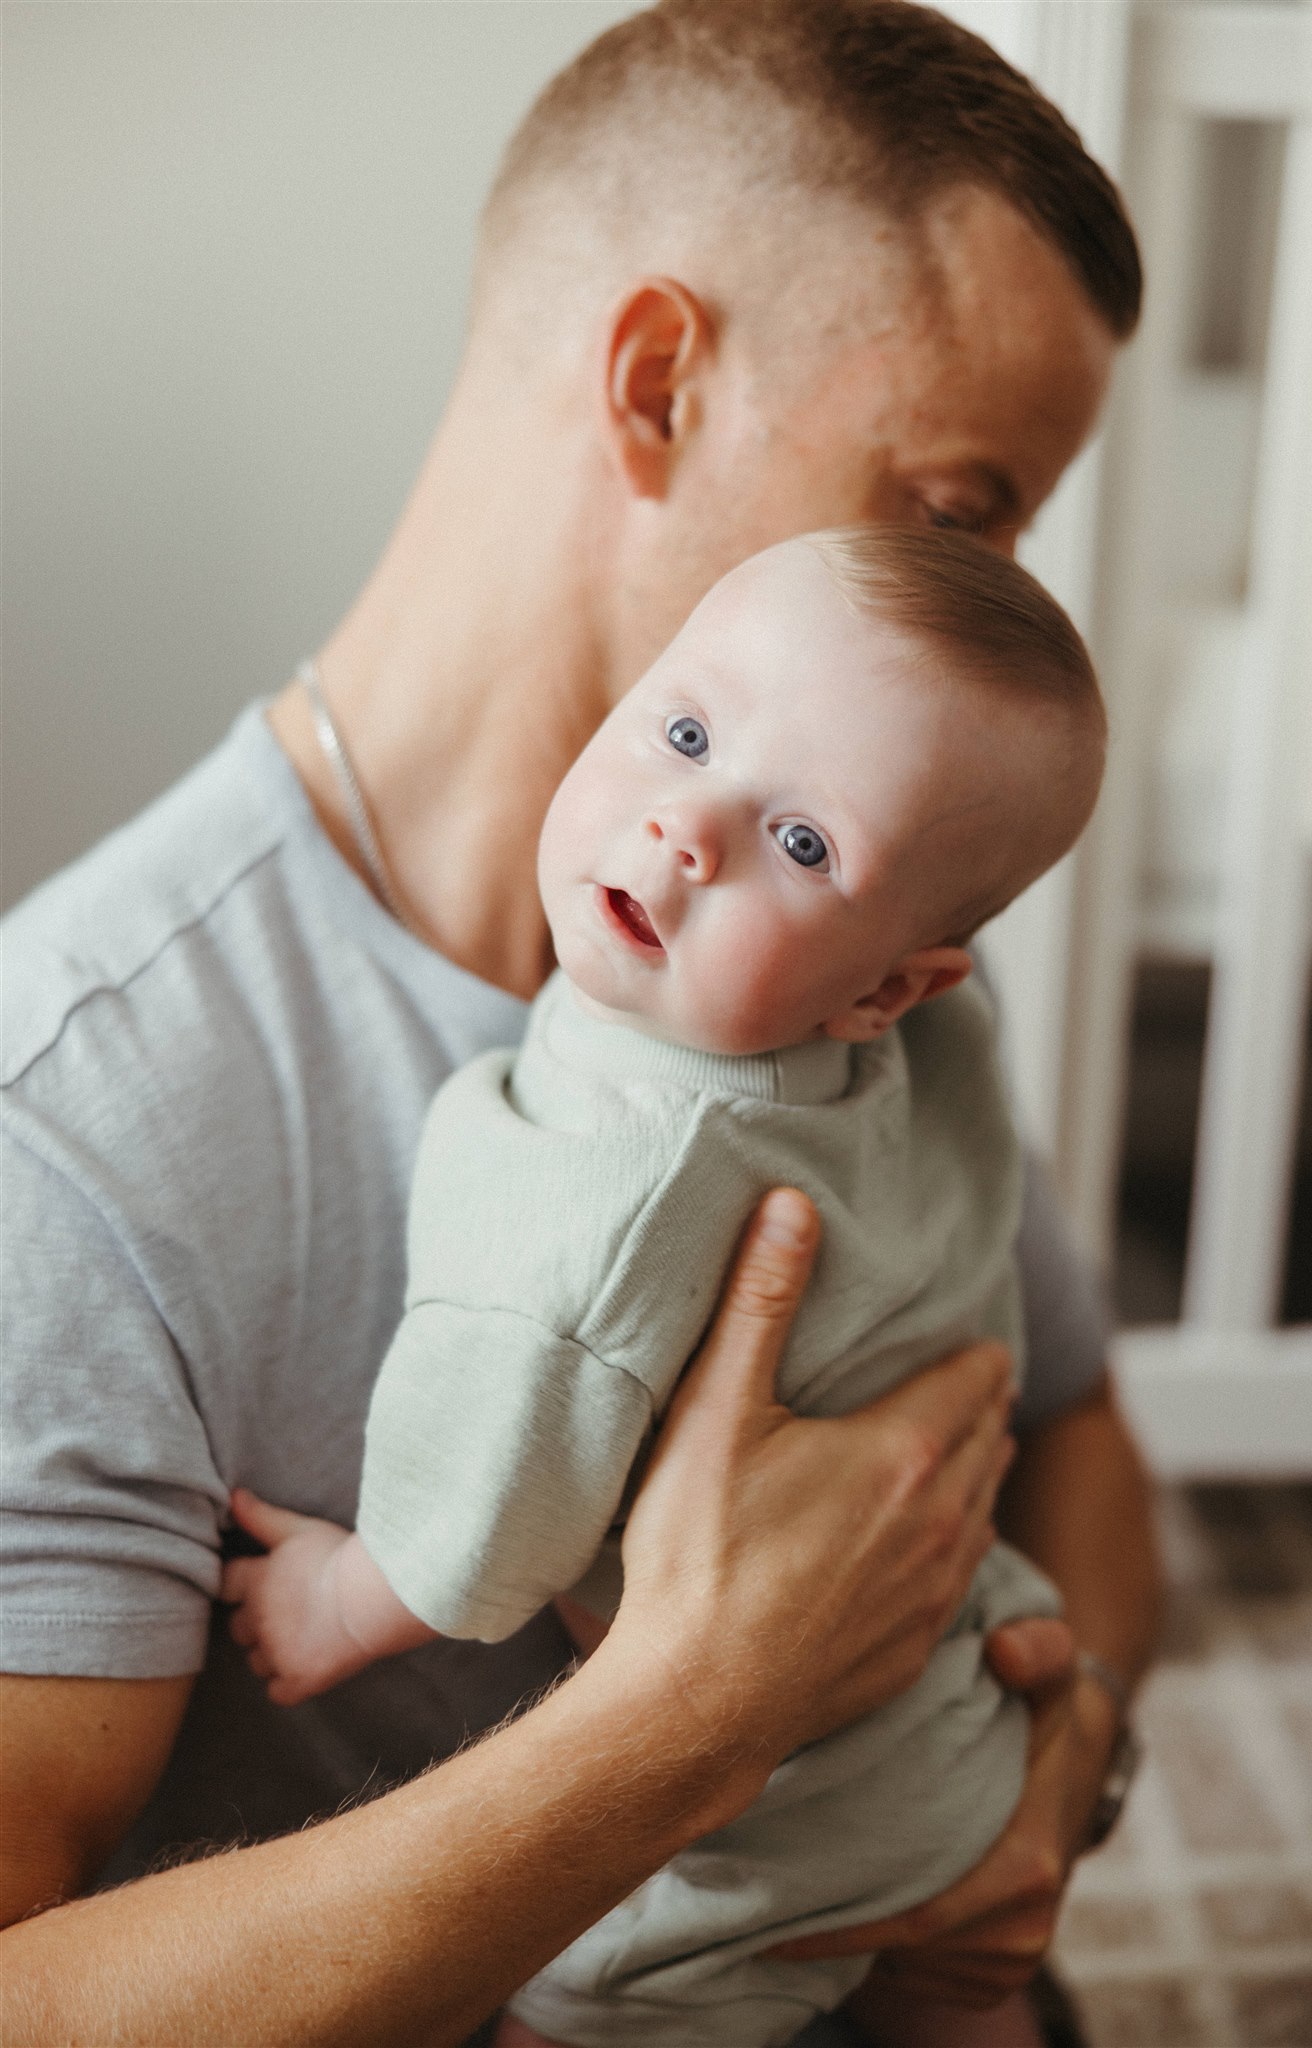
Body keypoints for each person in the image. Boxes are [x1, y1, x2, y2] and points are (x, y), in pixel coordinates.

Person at [0, 3, 1162, 2041]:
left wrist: (1041, 1804)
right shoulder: (78, 1119)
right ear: (654, 386)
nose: (971, 617)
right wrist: (699, 1702)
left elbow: (1066, 1422)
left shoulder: (852, 970)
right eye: (954, 510)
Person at [228, 524, 1106, 2048]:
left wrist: (340, 1599)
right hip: (965, 1687)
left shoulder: (622, 1159)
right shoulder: (928, 1059)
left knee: (577, 2006)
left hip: (781, 1806)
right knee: (964, 2005)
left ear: (887, 985)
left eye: (806, 844)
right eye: (688, 731)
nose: (688, 828)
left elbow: (500, 1478)